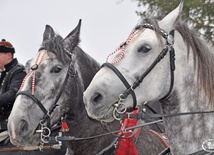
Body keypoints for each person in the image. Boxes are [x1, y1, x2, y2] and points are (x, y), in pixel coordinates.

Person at [0, 39, 26, 143]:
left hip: (9, 125)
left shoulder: (18, 71)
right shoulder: (4, 73)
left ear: (9, 55)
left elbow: (13, 93)